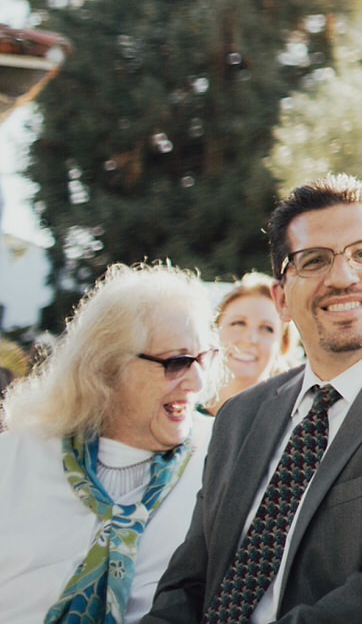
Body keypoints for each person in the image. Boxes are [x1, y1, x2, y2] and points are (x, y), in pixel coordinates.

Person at [142, 176, 362, 624]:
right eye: (314, 260)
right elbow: (189, 580)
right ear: (281, 298)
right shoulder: (241, 416)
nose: (343, 276)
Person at [0, 264, 215, 621]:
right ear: (108, 368)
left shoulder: (220, 460)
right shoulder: (16, 456)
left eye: (204, 358)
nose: (197, 382)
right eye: (176, 362)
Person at [208, 274, 298, 414]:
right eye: (238, 323)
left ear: (282, 346)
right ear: (214, 332)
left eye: (267, 328)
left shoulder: (292, 424)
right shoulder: (181, 417)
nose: (251, 339)